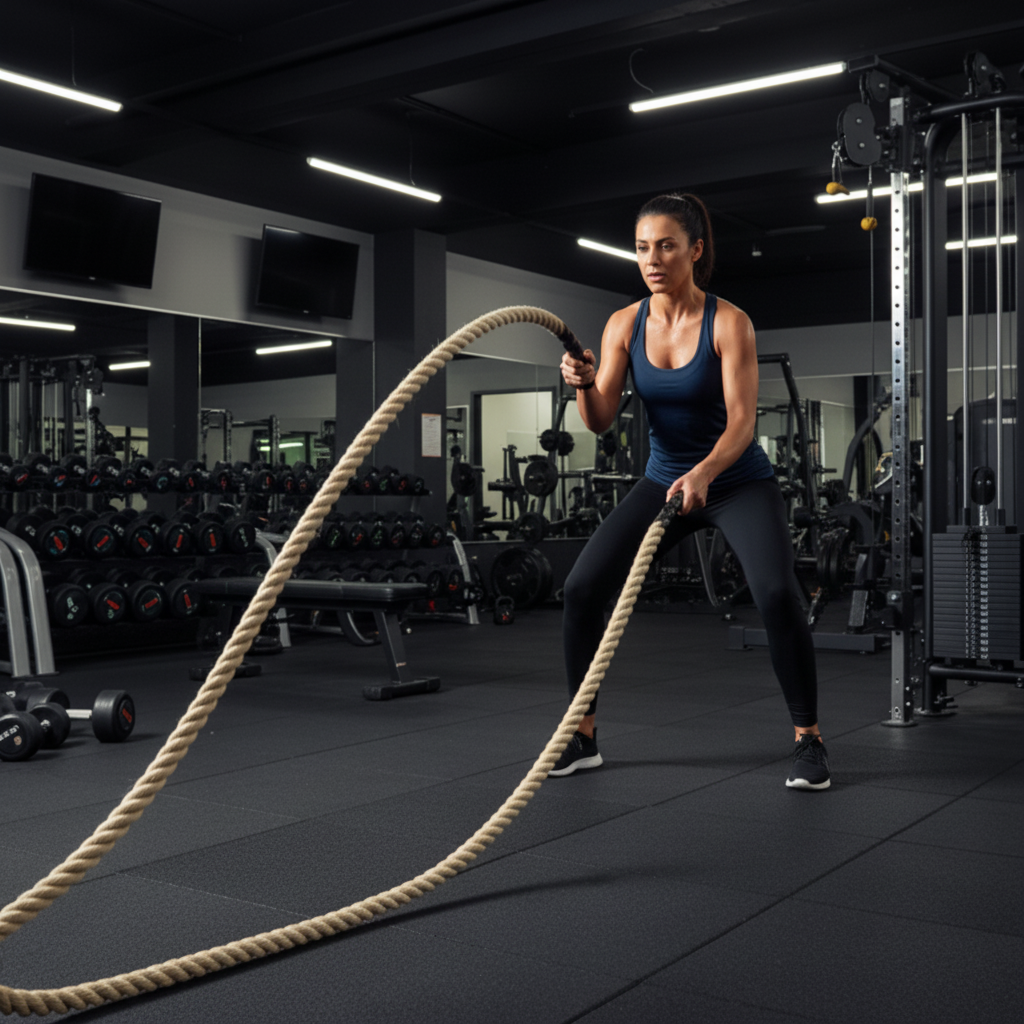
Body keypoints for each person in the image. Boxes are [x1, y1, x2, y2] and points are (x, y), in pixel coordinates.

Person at [552, 192, 829, 790]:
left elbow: (742, 424)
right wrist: (580, 381)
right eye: (642, 247)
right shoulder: (624, 324)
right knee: (580, 588)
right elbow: (600, 419)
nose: (652, 259)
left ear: (695, 250)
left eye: (667, 245)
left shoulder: (730, 322)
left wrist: (704, 473)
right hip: (662, 479)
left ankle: (809, 739)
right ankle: (583, 734)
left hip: (735, 480)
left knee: (778, 593)